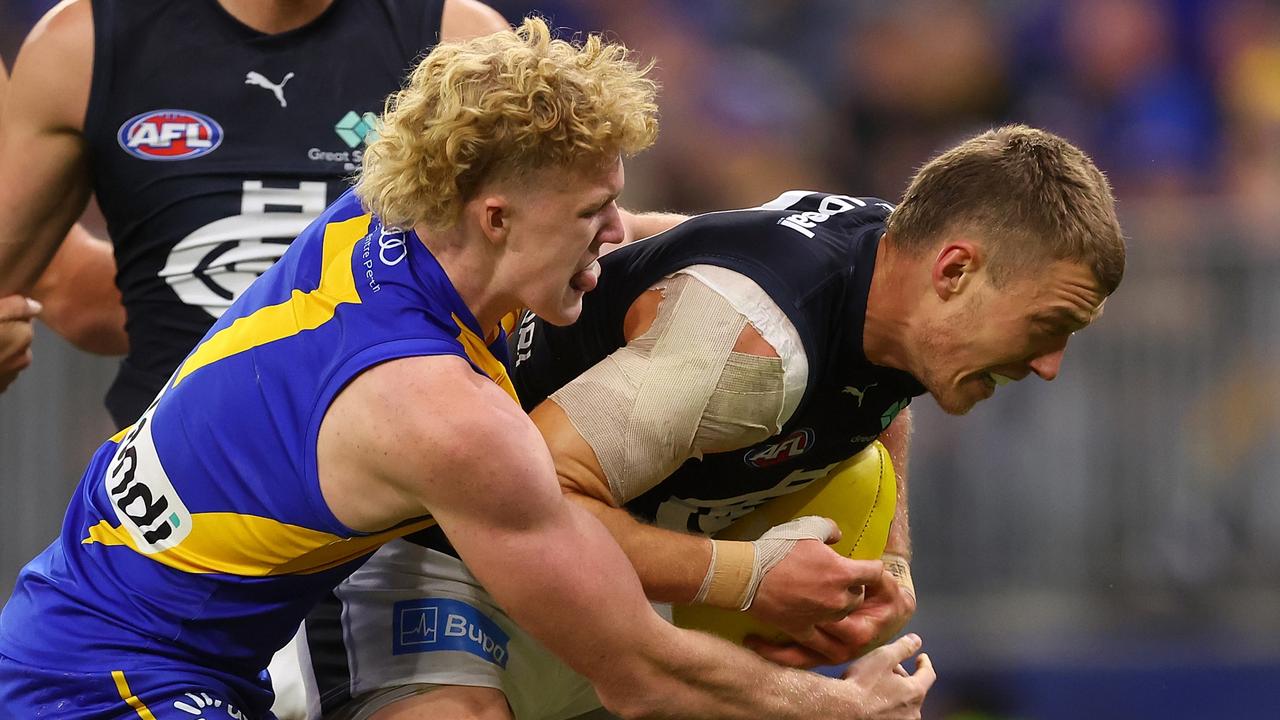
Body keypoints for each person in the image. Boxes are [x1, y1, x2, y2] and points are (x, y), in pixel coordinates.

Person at [0, 18, 934, 720]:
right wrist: (840, 703)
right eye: (592, 212)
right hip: (109, 680)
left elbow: (664, 244)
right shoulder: (442, 412)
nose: (617, 233)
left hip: (89, 631)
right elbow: (638, 672)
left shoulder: (375, 219)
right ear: (495, 216)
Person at [313, 124, 1124, 720]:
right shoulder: (748, 344)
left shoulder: (901, 271)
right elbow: (531, 497)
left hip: (619, 587)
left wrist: (894, 562)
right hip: (453, 558)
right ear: (957, 271)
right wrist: (748, 578)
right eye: (1048, 326)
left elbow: (884, 391)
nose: (1049, 365)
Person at [0, 0, 508, 426]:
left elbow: (541, 282)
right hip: (172, 499)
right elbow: (59, 296)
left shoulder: (464, 47)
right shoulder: (79, 48)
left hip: (404, 487)